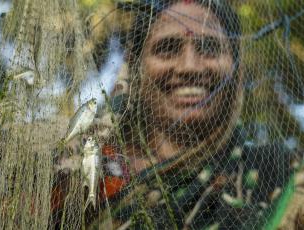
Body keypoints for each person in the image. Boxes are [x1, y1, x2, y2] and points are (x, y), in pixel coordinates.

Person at [91, 0, 301, 229]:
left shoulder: (276, 171)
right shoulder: (83, 167)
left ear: (235, 67)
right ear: (136, 68)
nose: (189, 67)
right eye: (167, 48)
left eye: (209, 47)